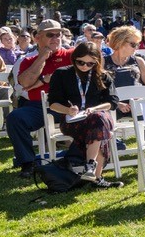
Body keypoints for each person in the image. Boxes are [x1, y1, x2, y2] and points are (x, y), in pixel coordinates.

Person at [46, 42, 122, 185]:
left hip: (97, 117)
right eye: (81, 62)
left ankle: (90, 166)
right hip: (73, 121)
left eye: (90, 64)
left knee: (98, 118)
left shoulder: (102, 76)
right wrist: (68, 110)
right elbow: (53, 104)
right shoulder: (62, 74)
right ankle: (97, 178)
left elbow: (112, 102)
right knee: (102, 130)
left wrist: (94, 109)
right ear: (74, 58)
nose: (85, 66)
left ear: (96, 62)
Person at [7, 20, 73, 177]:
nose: (56, 38)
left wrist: (41, 82)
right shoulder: (27, 60)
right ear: (37, 37)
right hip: (38, 106)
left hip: (69, 106)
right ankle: (27, 163)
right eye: (50, 35)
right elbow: (25, 83)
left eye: (59, 34)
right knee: (15, 118)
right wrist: (42, 58)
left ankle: (80, 157)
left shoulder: (72, 54)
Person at [105, 26, 145, 91]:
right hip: (112, 100)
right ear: (120, 43)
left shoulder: (139, 61)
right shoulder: (103, 61)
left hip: (137, 99)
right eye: (133, 44)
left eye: (137, 45)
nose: (136, 48)